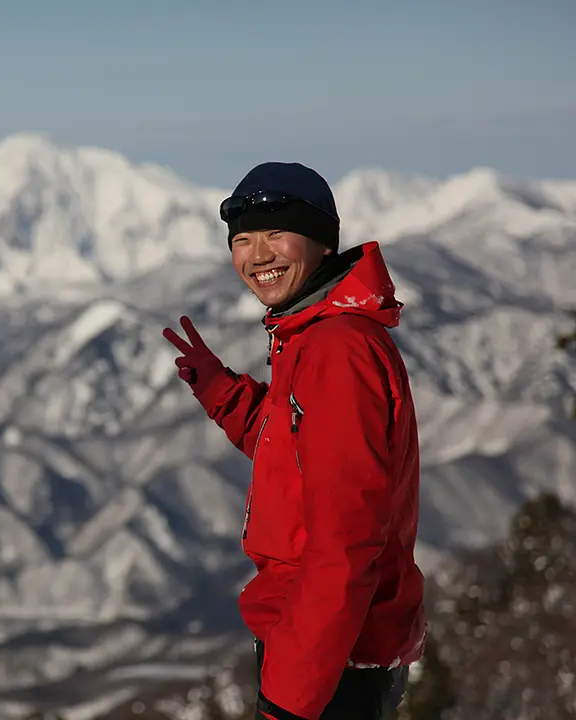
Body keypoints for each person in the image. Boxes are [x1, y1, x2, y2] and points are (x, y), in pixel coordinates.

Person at [162, 162, 426, 720]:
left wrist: (290, 698)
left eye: (276, 233)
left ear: (322, 244)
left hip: (332, 662)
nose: (258, 254)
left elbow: (345, 543)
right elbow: (297, 453)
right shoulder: (311, 334)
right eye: (242, 239)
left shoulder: (336, 350)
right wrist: (222, 392)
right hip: (326, 650)